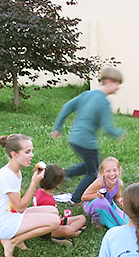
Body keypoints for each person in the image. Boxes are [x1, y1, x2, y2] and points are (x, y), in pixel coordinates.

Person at [51, 66, 125, 204]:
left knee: (90, 164)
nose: (118, 88)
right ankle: (76, 198)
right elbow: (108, 128)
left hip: (74, 139)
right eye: (117, 84)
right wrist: (118, 133)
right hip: (87, 142)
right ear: (108, 81)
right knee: (93, 172)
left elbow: (67, 107)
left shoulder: (87, 94)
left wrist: (58, 127)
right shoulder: (103, 102)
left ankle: (64, 175)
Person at [0, 134, 61, 257]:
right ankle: (12, 241)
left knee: (53, 210)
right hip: (3, 224)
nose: (32, 155)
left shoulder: (15, 171)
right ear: (14, 154)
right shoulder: (7, 176)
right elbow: (20, 207)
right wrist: (34, 183)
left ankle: (15, 237)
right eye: (27, 152)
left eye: (31, 151)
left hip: (10, 214)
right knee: (55, 221)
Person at [32, 163, 87, 247]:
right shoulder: (47, 200)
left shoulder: (39, 191)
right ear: (56, 184)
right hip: (47, 229)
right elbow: (49, 221)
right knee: (68, 230)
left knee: (82, 218)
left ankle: (65, 233)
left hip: (56, 222)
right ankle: (66, 235)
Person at [82, 157, 128, 229]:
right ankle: (97, 220)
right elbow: (84, 197)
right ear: (102, 172)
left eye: (115, 170)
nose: (112, 174)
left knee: (125, 221)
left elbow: (117, 197)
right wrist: (97, 195)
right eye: (108, 171)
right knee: (101, 202)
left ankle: (107, 217)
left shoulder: (119, 184)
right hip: (93, 204)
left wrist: (120, 200)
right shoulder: (100, 182)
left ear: (119, 170)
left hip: (109, 204)